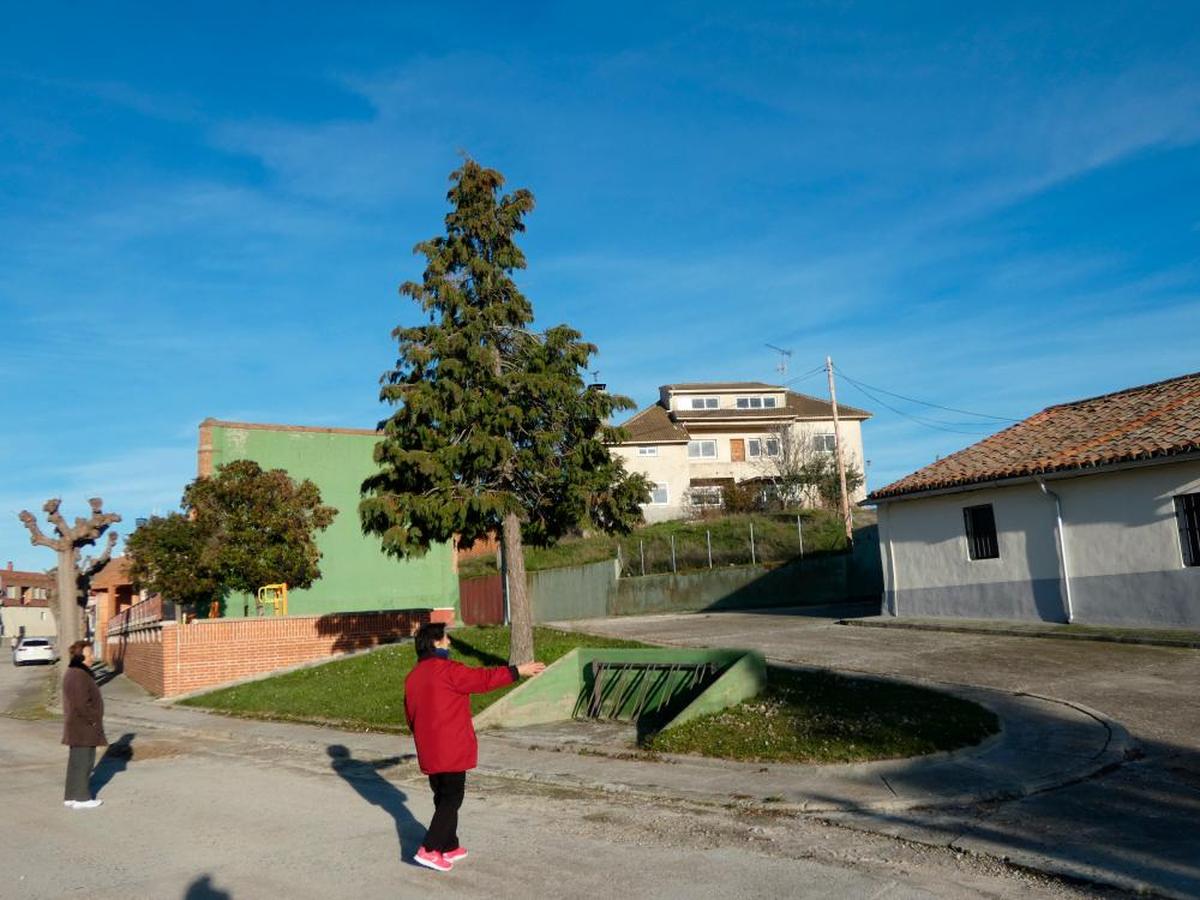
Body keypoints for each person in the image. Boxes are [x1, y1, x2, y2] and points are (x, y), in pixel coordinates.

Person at [404, 622, 545, 872]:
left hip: (428, 747)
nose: (449, 642)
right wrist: (517, 671)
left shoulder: (414, 676)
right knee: (452, 797)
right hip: (450, 747)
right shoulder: (447, 670)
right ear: (436, 643)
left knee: (443, 796)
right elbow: (483, 679)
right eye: (446, 638)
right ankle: (429, 848)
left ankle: (448, 845)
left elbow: (410, 715)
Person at [62, 639, 107, 809]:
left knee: (76, 761)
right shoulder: (79, 675)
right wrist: (94, 719)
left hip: (78, 726)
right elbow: (81, 703)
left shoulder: (75, 672)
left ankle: (71, 795)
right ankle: (82, 798)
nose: (93, 657)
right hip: (83, 726)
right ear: (81, 657)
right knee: (84, 762)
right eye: (89, 654)